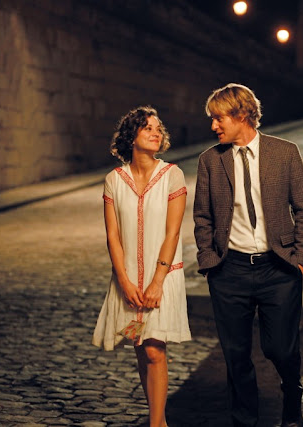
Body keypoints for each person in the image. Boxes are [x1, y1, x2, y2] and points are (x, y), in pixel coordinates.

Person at [193, 83, 303, 427]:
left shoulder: (284, 152)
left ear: (242, 115)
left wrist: (300, 261)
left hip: (278, 268)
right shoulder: (210, 160)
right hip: (228, 271)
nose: (213, 126)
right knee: (235, 355)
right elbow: (202, 216)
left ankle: (292, 393)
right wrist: (210, 263)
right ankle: (245, 421)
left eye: (219, 118)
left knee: (281, 349)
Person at [92, 106, 191, 427]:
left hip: (162, 275)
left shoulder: (172, 175)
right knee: (140, 347)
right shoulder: (114, 180)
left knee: (154, 350)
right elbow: (113, 236)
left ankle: (157, 424)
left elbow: (173, 232)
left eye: (158, 128)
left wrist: (158, 281)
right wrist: (123, 280)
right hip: (128, 279)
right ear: (131, 136)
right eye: (147, 127)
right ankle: (158, 420)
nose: (155, 132)